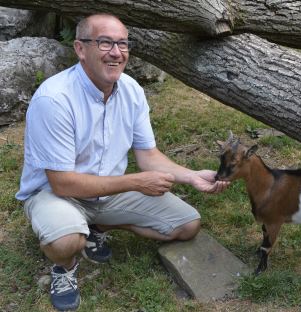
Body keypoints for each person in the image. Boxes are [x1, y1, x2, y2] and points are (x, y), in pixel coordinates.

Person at [16, 13, 228, 311]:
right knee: (65, 241)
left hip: (107, 192)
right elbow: (61, 182)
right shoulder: (54, 99)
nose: (117, 52)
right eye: (105, 43)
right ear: (80, 49)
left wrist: (191, 176)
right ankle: (65, 267)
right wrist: (135, 182)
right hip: (54, 193)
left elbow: (148, 156)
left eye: (123, 43)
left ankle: (95, 225)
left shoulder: (131, 90)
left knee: (187, 224)